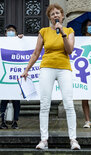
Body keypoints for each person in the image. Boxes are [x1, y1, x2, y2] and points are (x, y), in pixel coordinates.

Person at [21, 4, 81, 150]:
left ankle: (73, 140)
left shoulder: (69, 31)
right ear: (49, 18)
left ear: (62, 16)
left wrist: (63, 34)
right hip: (47, 67)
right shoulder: (44, 31)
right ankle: (44, 140)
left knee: (68, 103)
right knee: (45, 104)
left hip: (64, 68)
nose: (55, 15)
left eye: (57, 13)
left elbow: (70, 50)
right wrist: (27, 69)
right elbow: (36, 53)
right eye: (52, 14)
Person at [0, 25, 23, 129]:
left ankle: (15, 121)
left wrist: (23, 39)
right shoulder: (1, 42)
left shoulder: (19, 42)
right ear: (5, 33)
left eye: (13, 31)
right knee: (4, 99)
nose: (11, 32)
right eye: (9, 31)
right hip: (5, 74)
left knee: (16, 100)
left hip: (16, 75)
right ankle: (3, 121)